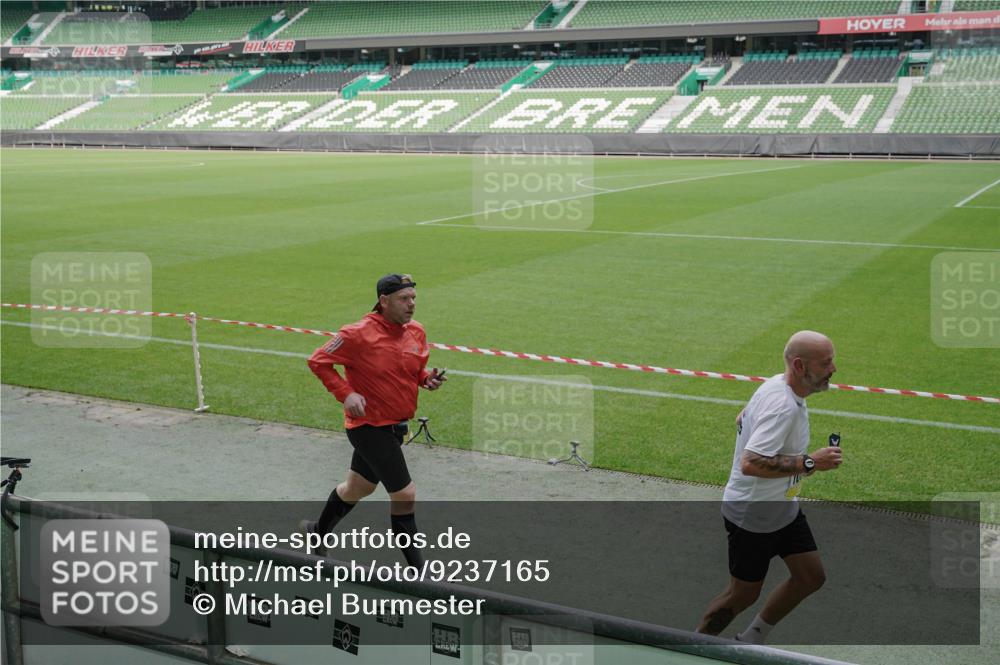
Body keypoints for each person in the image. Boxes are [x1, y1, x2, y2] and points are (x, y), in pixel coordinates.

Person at [697, 330, 843, 643]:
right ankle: (692, 648)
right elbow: (751, 462)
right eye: (826, 362)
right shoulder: (783, 406)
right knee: (741, 596)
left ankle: (750, 640)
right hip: (754, 515)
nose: (834, 369)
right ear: (801, 366)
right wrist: (808, 463)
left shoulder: (779, 386)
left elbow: (742, 419)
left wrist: (799, 465)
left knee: (810, 577)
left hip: (782, 507)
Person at [303, 273, 445, 567]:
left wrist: (425, 379)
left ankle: (315, 534)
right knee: (405, 493)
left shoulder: (415, 331)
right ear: (384, 301)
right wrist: (345, 394)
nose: (412, 305)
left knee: (357, 488)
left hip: (396, 426)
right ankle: (420, 573)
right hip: (369, 427)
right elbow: (318, 360)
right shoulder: (357, 334)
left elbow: (412, 367)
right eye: (404, 299)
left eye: (414, 298)